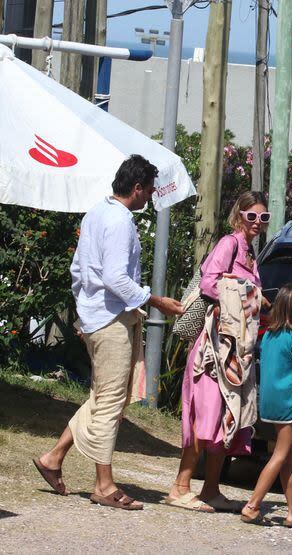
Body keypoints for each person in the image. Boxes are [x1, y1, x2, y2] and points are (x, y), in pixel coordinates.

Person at [33, 155, 184, 510]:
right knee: (111, 403)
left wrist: (85, 314)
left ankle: (54, 457)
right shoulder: (119, 221)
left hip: (100, 318)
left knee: (103, 397)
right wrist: (156, 300)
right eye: (148, 191)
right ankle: (103, 485)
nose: (149, 198)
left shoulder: (96, 213)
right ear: (136, 188)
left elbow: (78, 270)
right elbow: (116, 278)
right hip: (111, 322)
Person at [166, 192, 270, 513]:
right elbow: (210, 284)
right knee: (206, 413)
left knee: (229, 414)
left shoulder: (251, 252)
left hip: (236, 347)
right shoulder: (229, 244)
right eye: (251, 216)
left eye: (263, 218)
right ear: (239, 215)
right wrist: (249, 291)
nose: (256, 223)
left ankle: (211, 488)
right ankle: (181, 486)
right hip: (216, 345)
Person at [241, 284, 292, 529]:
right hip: (291, 403)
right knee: (279, 456)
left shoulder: (269, 335)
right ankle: (253, 505)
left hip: (271, 401)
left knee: (288, 457)